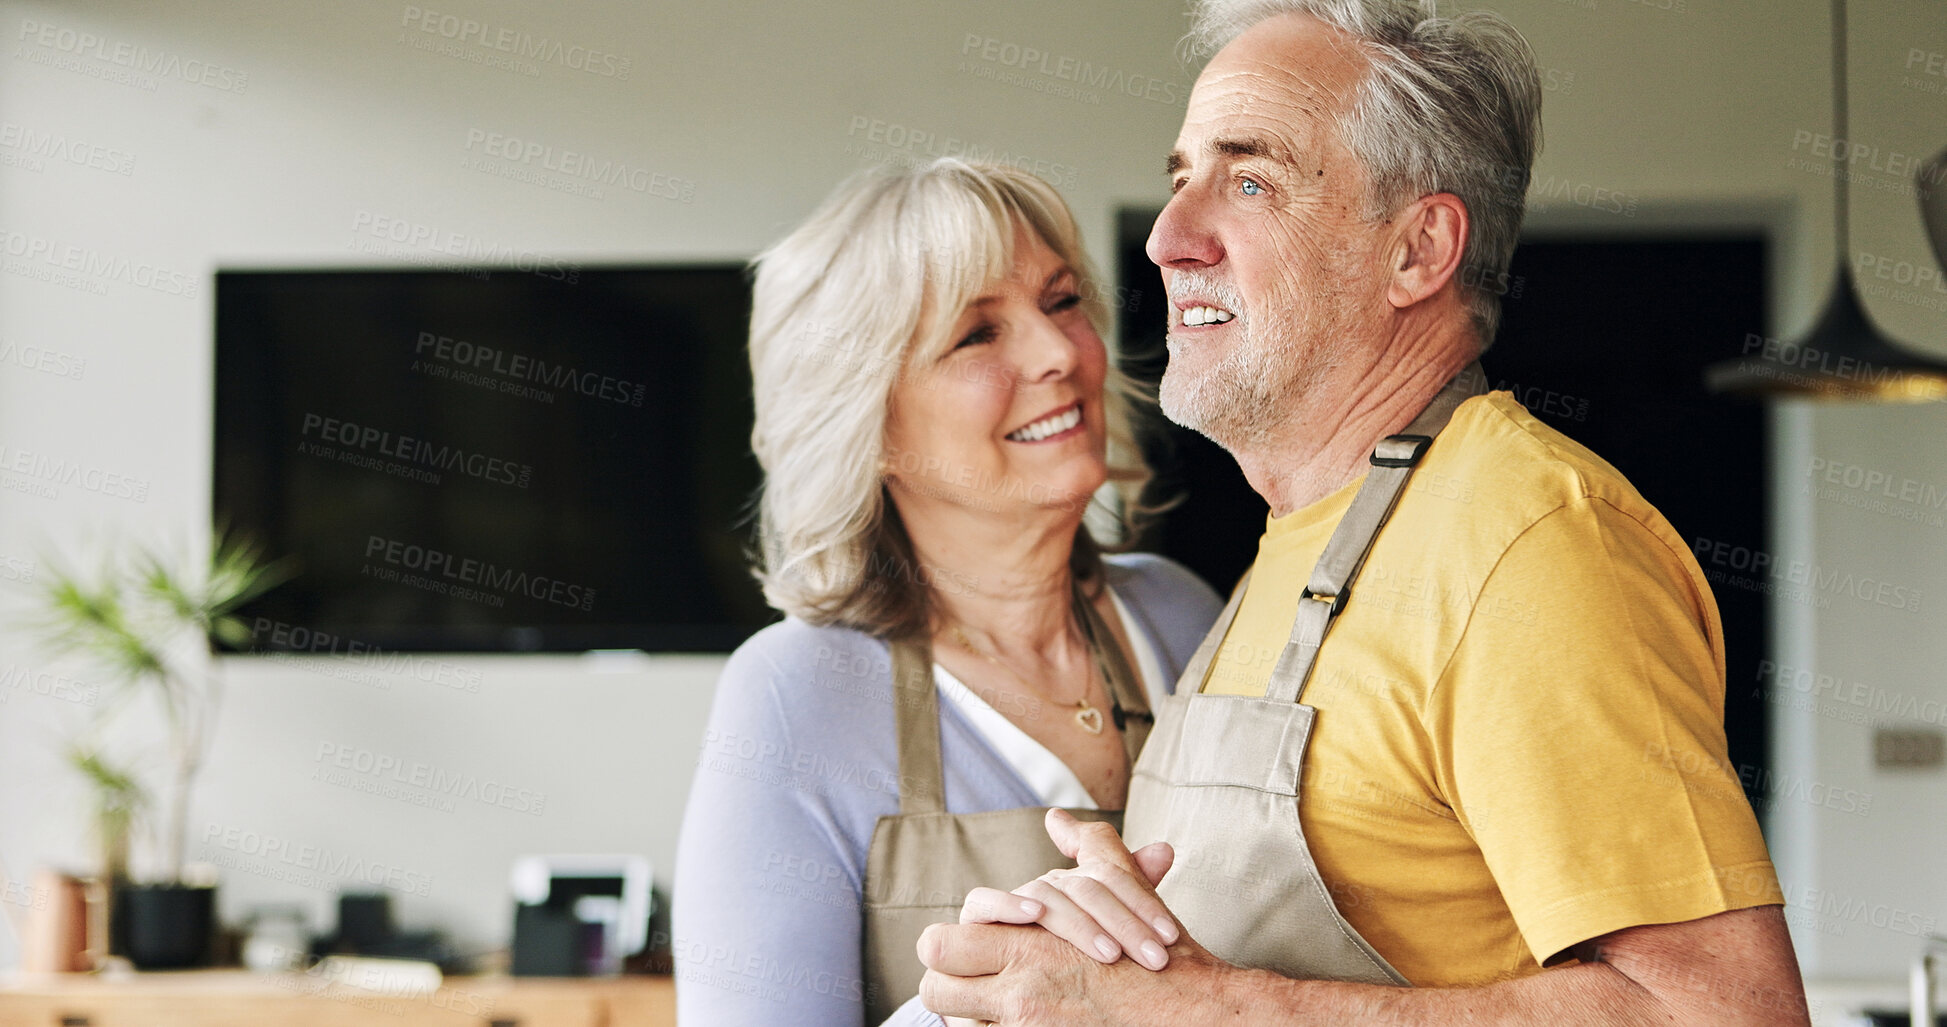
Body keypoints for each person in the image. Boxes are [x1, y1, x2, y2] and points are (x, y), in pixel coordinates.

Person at [916, 2, 1812, 1024]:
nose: (1168, 239)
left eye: (1248, 182)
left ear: (1418, 250)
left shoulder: (1534, 544)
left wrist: (1198, 1010)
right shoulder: (1294, 546)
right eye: (1180, 179)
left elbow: (1725, 1013)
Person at [672, 158, 1222, 1026]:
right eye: (976, 335)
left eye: (1061, 301)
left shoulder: (1181, 617)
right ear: (867, 421)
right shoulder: (797, 694)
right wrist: (978, 1000)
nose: (1057, 353)